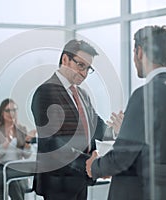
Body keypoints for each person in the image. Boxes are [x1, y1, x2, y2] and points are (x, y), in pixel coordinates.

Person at [86, 25, 166, 200]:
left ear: (140, 52)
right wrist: (125, 130)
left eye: (134, 53)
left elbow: (122, 157)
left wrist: (95, 166)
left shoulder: (144, 95)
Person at [31, 39, 124, 200]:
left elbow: (96, 127)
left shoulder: (82, 94)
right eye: (80, 65)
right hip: (58, 183)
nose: (84, 73)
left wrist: (115, 131)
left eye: (88, 68)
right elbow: (53, 143)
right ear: (65, 60)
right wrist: (88, 163)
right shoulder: (45, 92)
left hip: (80, 179)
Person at [0, 98, 36, 200]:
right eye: (8, 110)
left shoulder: (21, 129)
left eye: (14, 110)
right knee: (12, 181)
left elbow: (26, 155)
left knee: (13, 182)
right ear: (2, 113)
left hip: (17, 168)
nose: (11, 113)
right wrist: (6, 143)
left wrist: (27, 142)